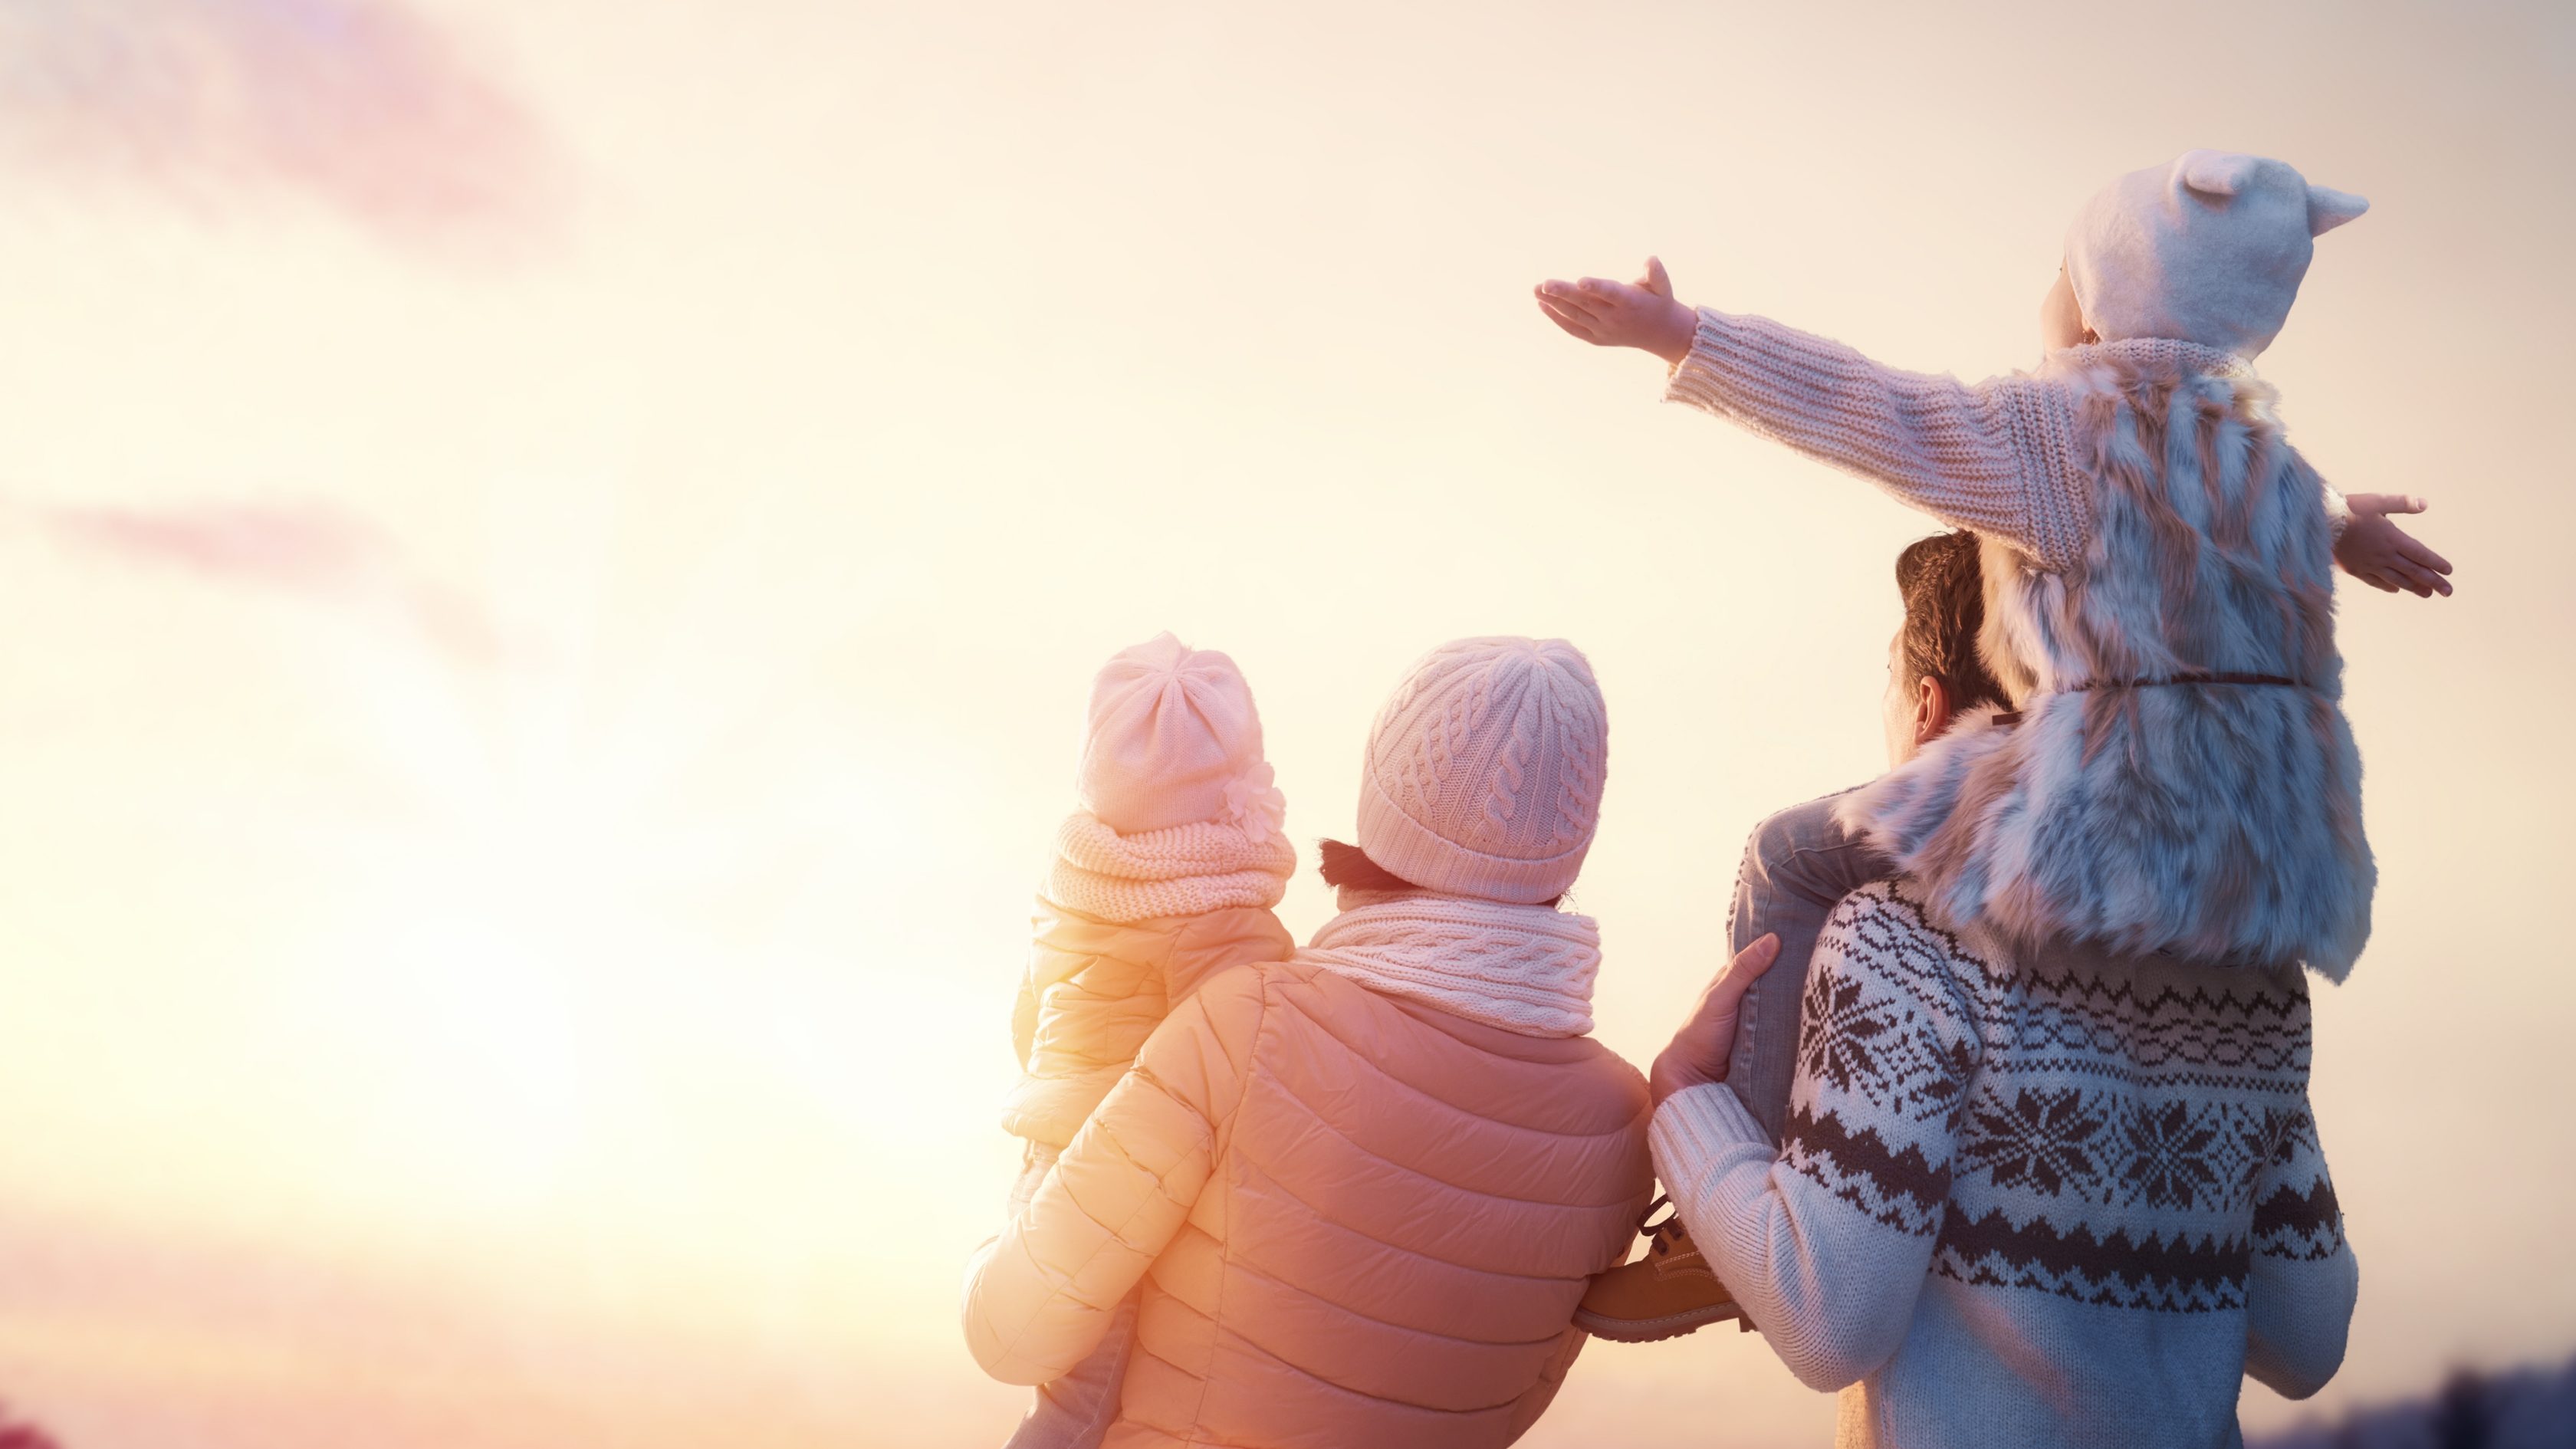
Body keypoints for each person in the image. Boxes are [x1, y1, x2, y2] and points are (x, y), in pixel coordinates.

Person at [1565, 152, 2384, 1445]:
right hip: (2231, 849)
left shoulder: (1908, 949)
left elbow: (1877, 411)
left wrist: (1689, 1118)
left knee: (1786, 853)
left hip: (2077, 825)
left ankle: (1736, 1170)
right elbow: (2309, 1332)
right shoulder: (2249, 991)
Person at [964, 637, 1654, 1448]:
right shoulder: (1623, 1127)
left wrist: (1044, 1152)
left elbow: (1011, 1334)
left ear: (1384, 796)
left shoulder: (1248, 1025)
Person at [1574, 530, 2004, 1343]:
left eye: (1887, 679)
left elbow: (1829, 1329)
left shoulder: (1883, 939)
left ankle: (1728, 1220)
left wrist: (1693, 1097)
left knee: (1783, 854)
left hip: (2020, 777)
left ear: (1925, 705)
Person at [993, 633, 1300, 1447]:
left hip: (1049, 1168)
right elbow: (1253, 1068)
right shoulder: (1223, 922)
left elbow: (1029, 1022)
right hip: (1124, 1202)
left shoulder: (1077, 889)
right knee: (1088, 1405)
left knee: (1069, 1393)